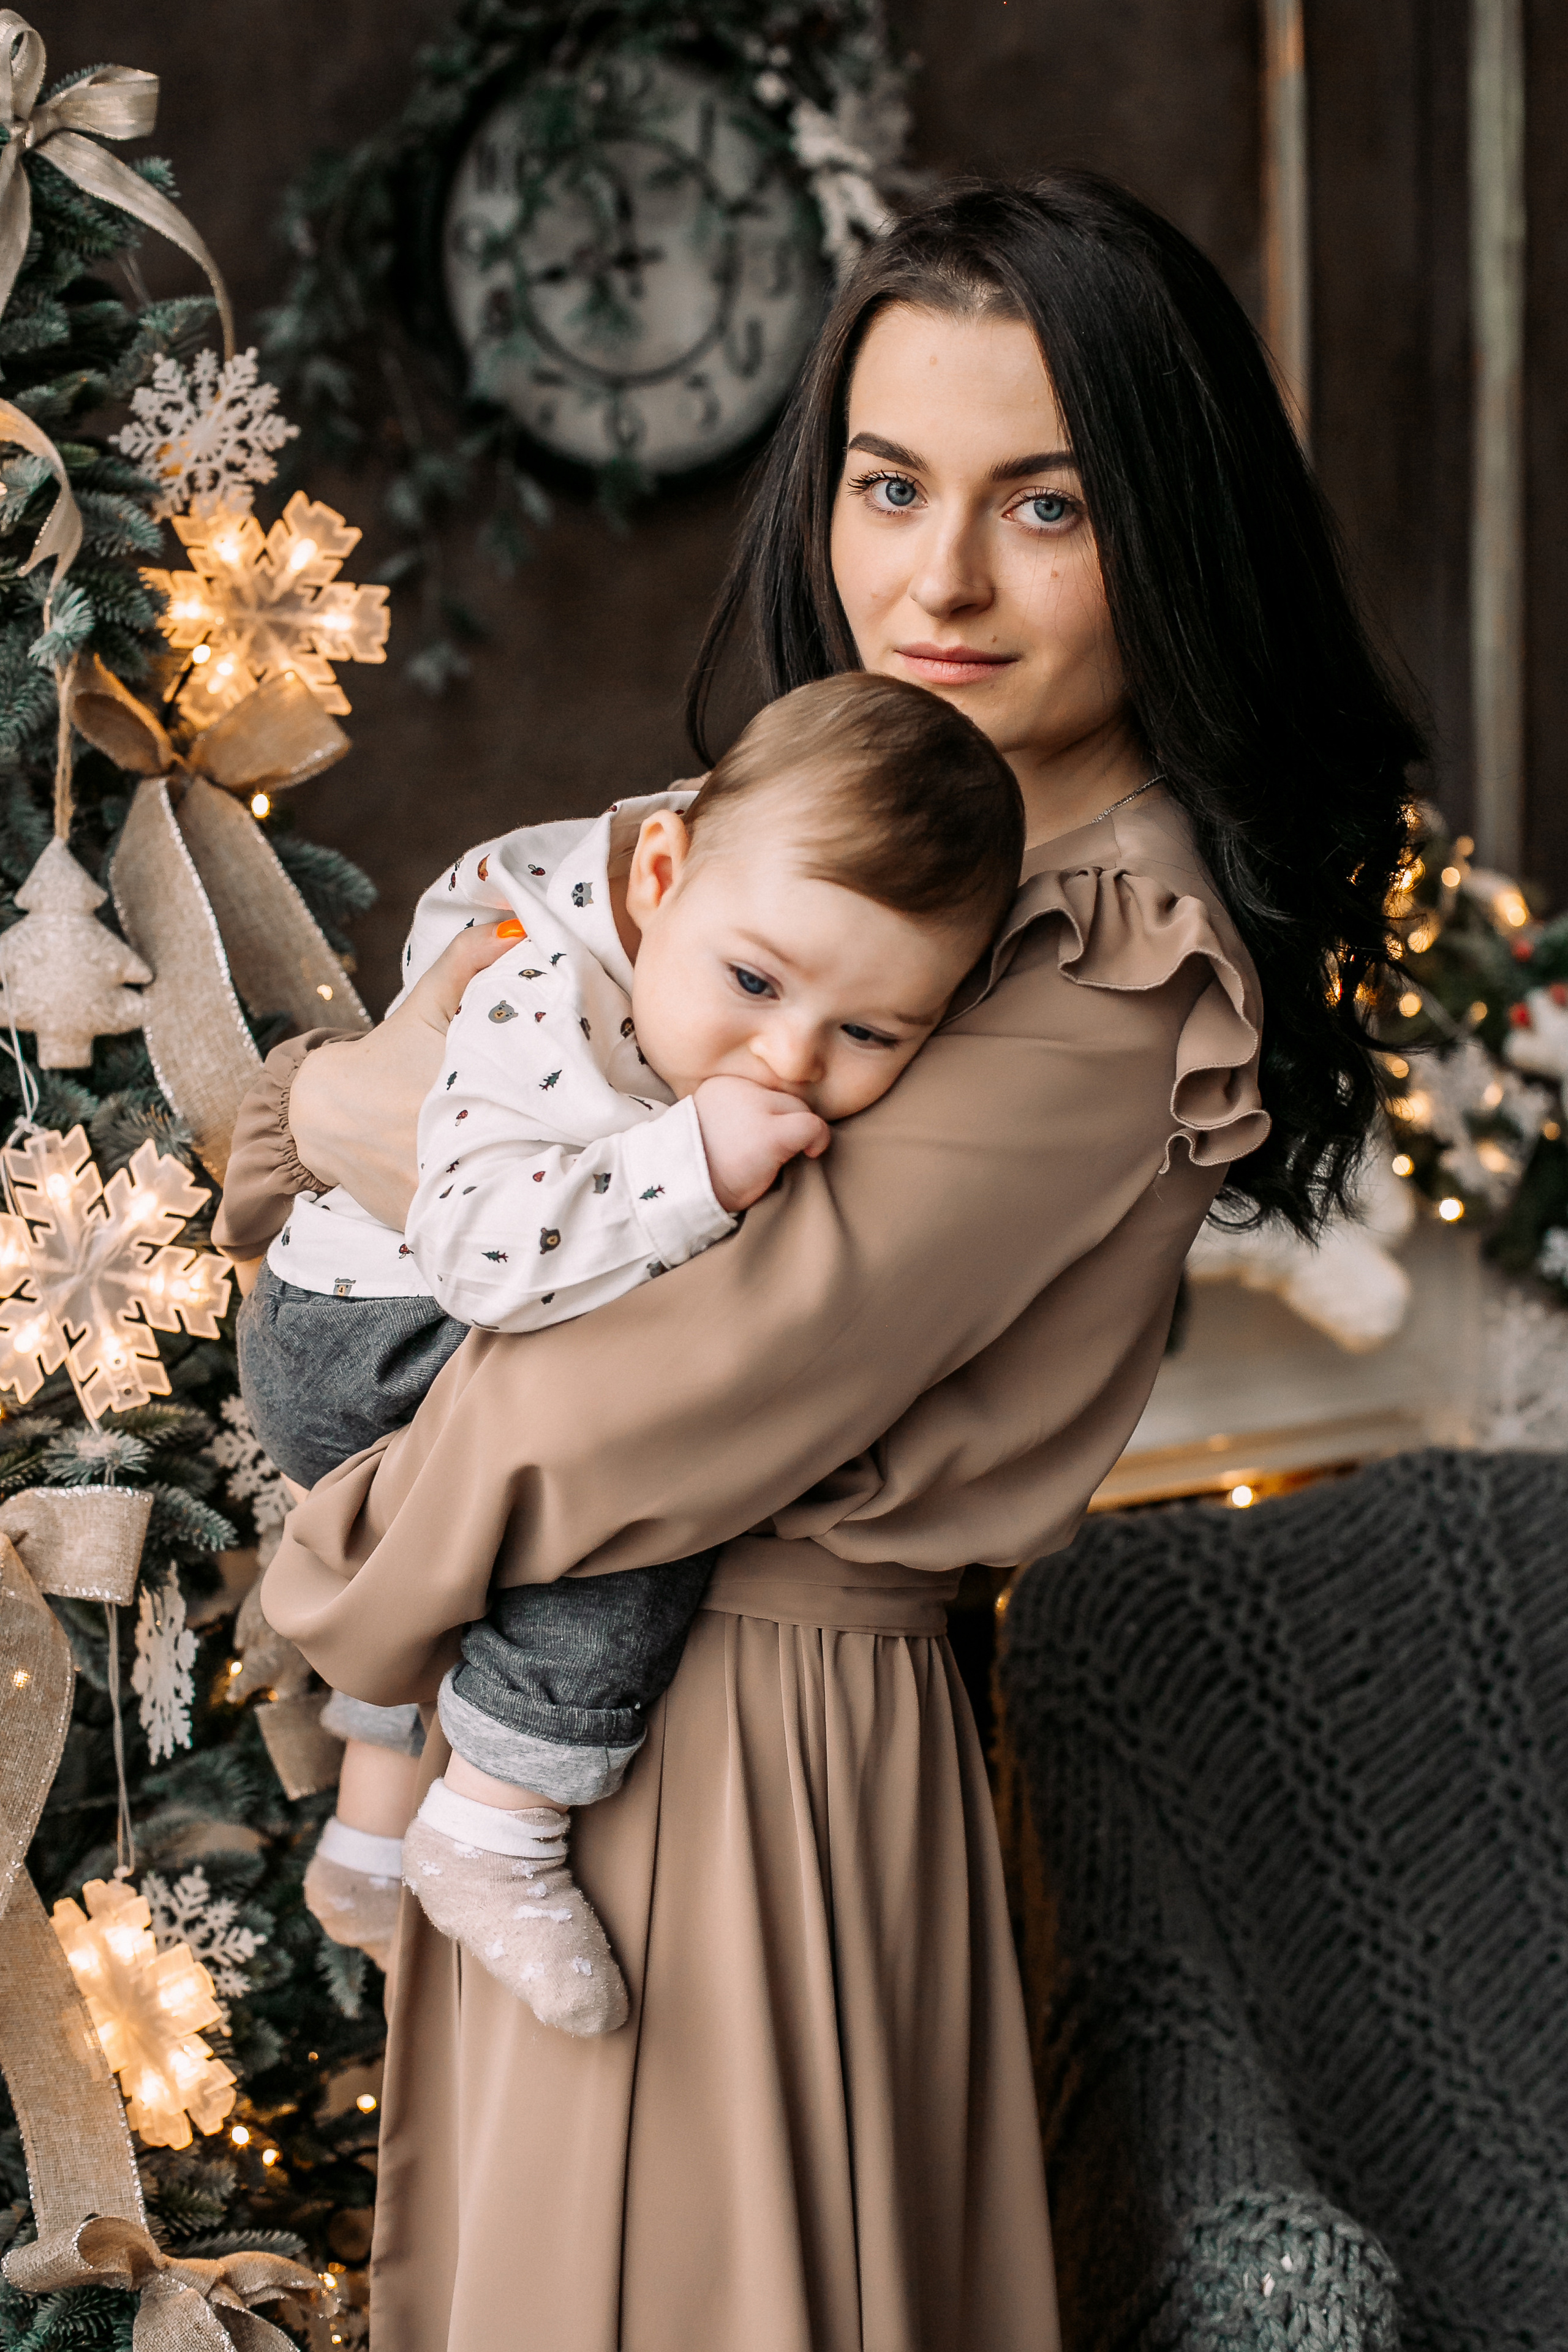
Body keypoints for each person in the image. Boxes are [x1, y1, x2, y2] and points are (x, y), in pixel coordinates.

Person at [219, 172, 1418, 2350]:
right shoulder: (896, 850)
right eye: (890, 485)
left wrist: (343, 1562)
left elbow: (643, 1388)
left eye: (1045, 508)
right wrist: (350, 1124)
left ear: (1170, 527)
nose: (937, 579)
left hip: (748, 1765)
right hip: (604, 1719)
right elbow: (494, 1080)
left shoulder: (1105, 955)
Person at [232, 674, 1023, 2034]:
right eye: (754, 982)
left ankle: (364, 1841)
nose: (785, 1056)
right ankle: (494, 1828)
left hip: (375, 1316)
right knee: (650, 1470)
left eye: (869, 1035)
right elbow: (487, 1255)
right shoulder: (542, 996)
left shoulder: (689, 946)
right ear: (659, 875)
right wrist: (686, 1168)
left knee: (499, 1513)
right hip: (359, 1337)